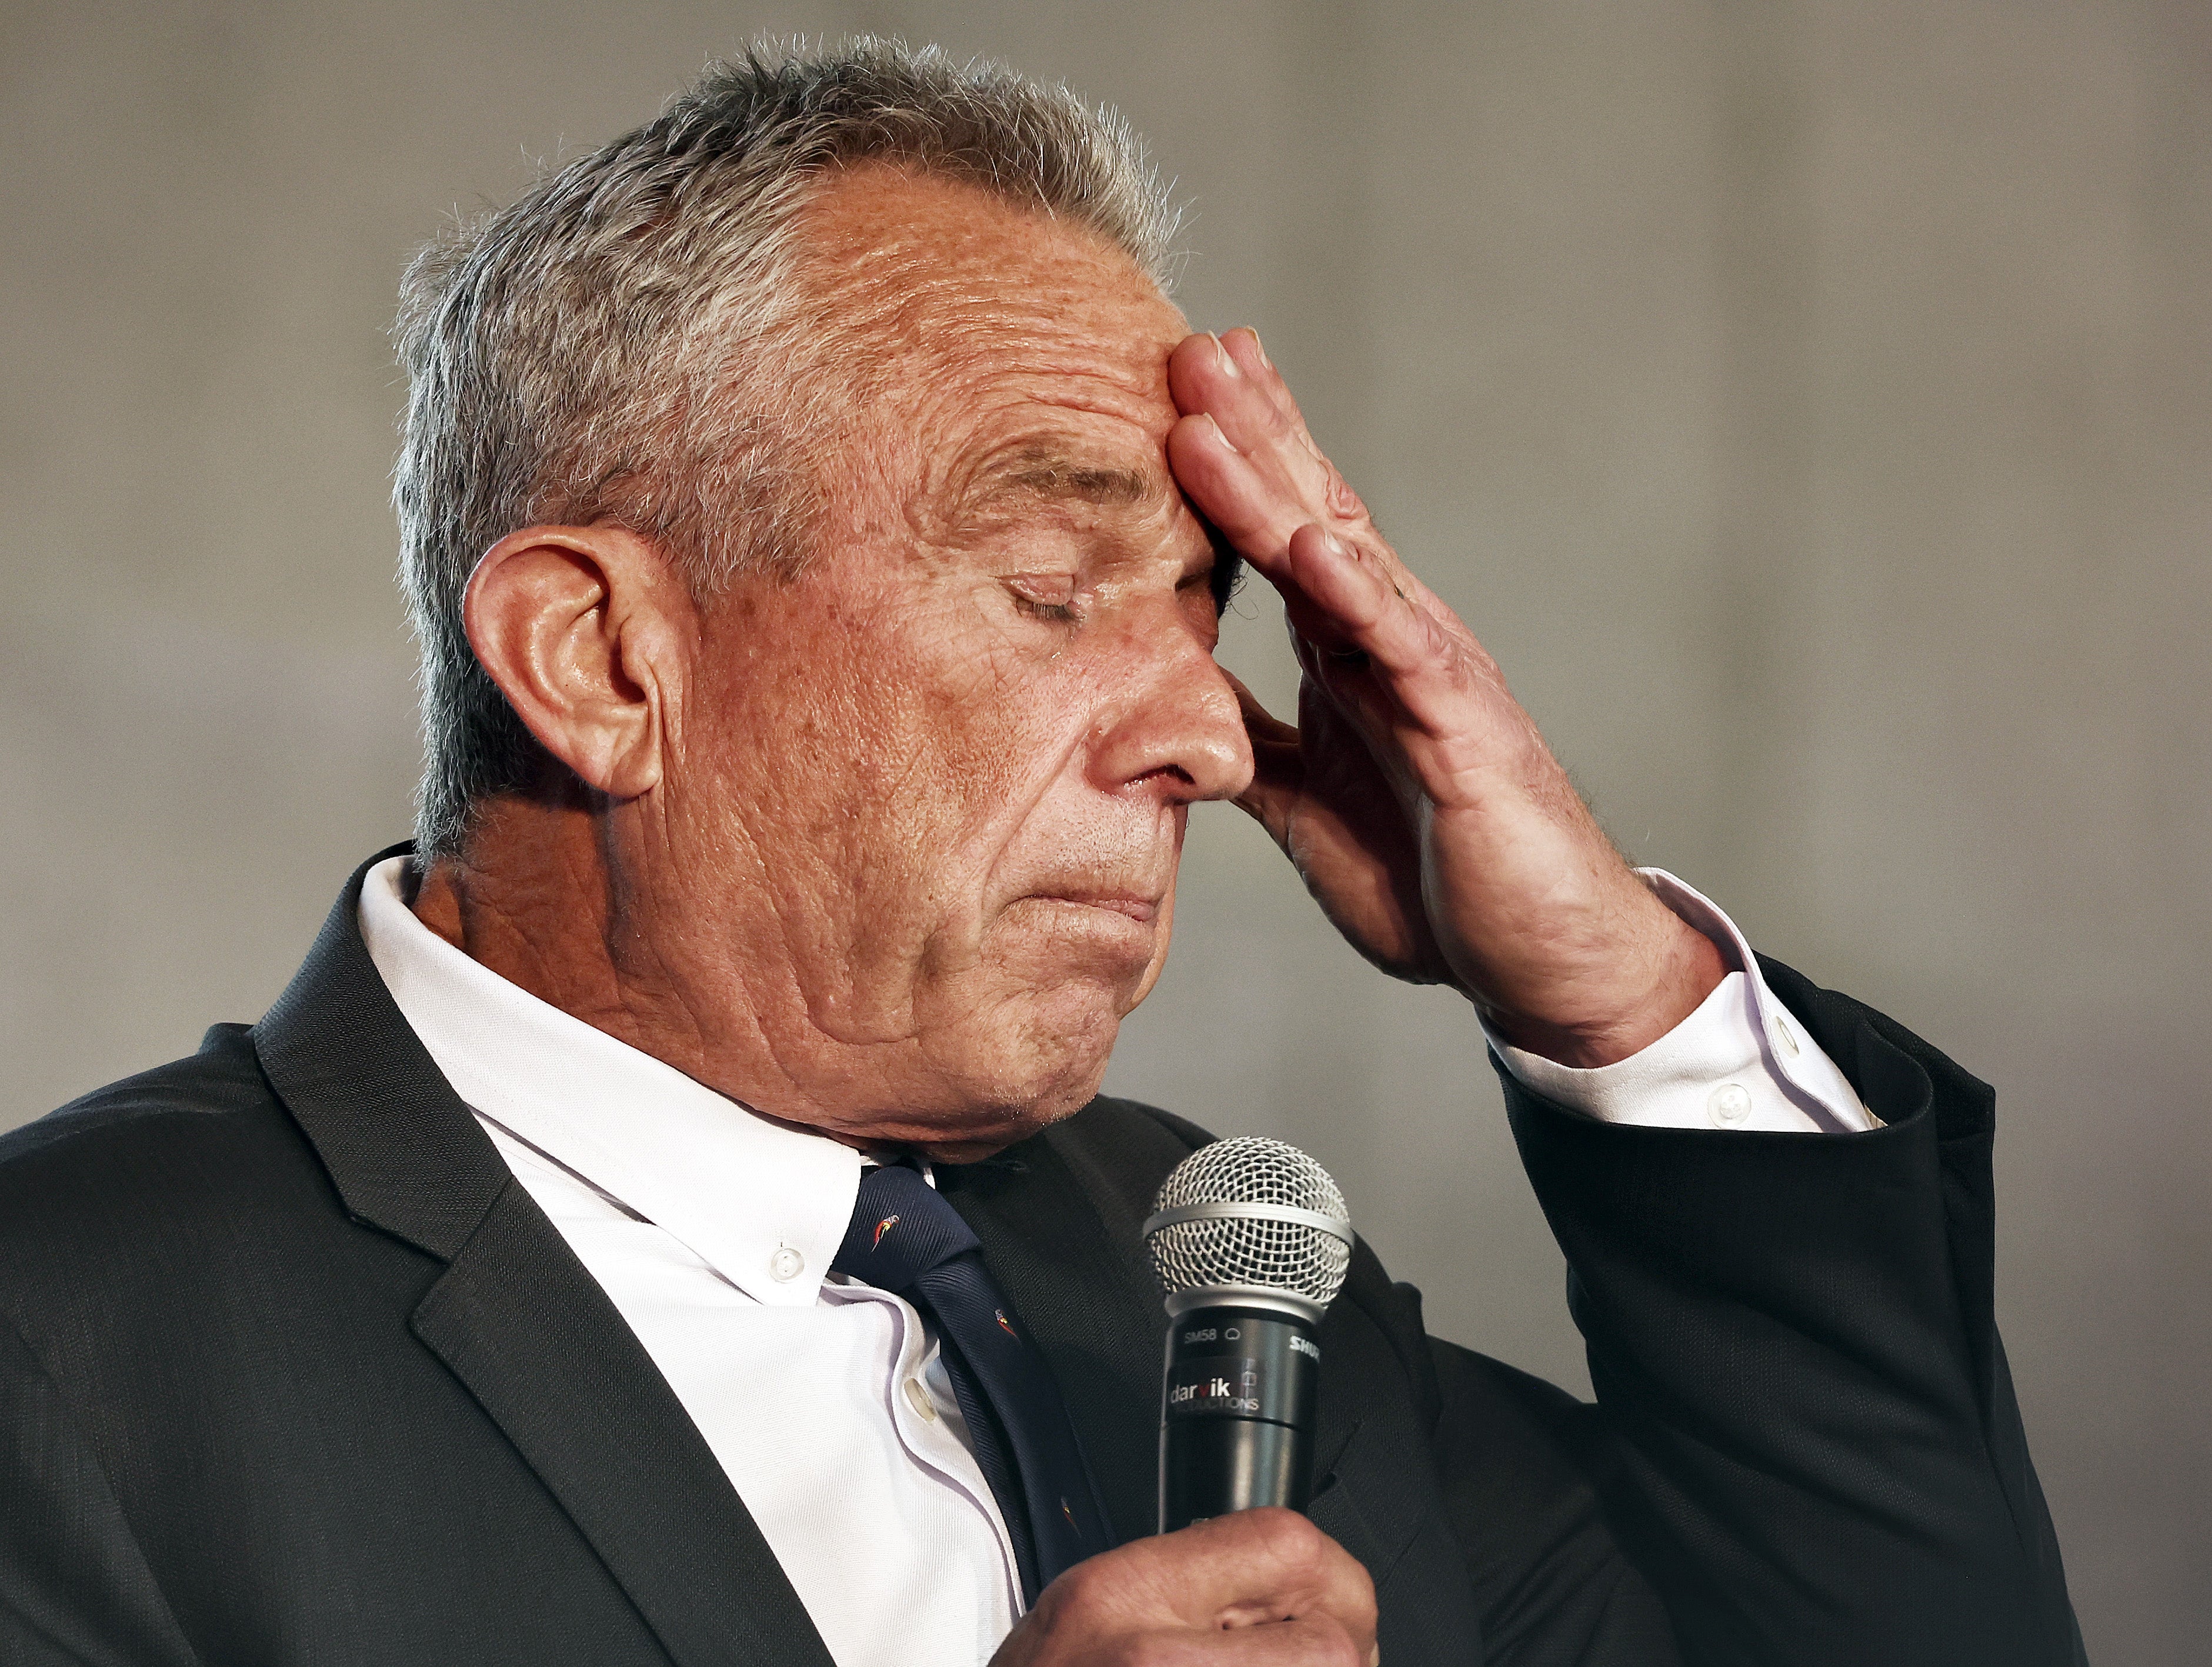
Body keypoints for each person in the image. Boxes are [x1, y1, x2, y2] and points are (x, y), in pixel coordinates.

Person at [0, 40, 2081, 1667]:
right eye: (1050, 579)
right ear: (601, 657)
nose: (1201, 731)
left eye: (1201, 608)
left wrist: (1613, 996)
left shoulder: (1235, 1278)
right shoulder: (66, 1353)